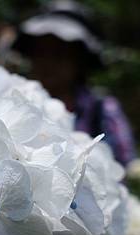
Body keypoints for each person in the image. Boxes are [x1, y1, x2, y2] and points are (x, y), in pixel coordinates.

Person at [13, 0, 136, 165]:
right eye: (40, 52)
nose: (47, 63)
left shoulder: (103, 109)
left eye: (59, 54)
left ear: (79, 61)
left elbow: (125, 165)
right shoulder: (14, 101)